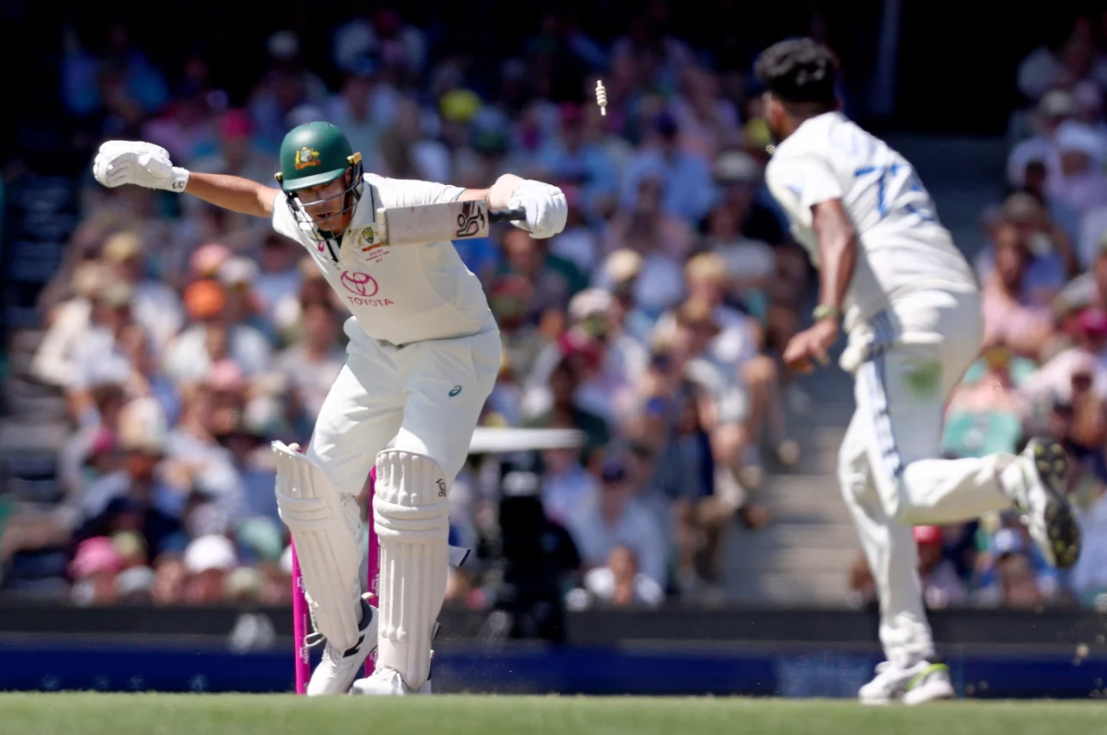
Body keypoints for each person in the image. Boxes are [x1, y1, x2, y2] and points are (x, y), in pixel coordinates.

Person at [92, 123, 566, 696]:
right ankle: (347, 638)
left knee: (407, 481)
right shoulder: (300, 210)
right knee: (309, 486)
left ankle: (400, 673)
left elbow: (488, 198)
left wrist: (529, 195)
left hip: (452, 348)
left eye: (328, 188)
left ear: (354, 174)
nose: (319, 203)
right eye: (306, 191)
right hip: (374, 350)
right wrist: (174, 179)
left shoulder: (402, 204)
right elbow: (256, 197)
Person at [754, 39, 1081, 705]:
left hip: (897, 317)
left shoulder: (794, 152)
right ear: (836, 97)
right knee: (859, 474)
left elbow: (835, 229)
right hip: (954, 307)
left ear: (773, 107)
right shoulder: (868, 144)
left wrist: (822, 314)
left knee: (899, 488)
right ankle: (911, 655)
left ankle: (1013, 477)